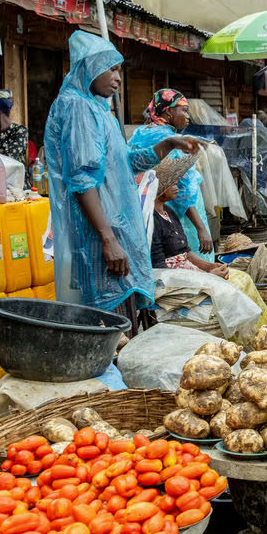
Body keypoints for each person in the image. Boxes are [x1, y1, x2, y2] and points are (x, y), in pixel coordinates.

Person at [43, 31, 199, 320]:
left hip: (115, 230)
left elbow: (126, 162)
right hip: (97, 235)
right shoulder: (78, 107)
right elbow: (82, 179)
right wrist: (107, 239)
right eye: (111, 69)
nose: (118, 78)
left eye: (119, 70)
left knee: (122, 320)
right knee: (108, 325)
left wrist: (169, 144)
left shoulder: (101, 112)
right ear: (89, 68)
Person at [129, 89, 214, 258]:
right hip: (177, 217)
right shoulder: (168, 141)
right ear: (168, 111)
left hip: (149, 212)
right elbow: (182, 191)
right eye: (184, 110)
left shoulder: (141, 134)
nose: (187, 116)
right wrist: (201, 228)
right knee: (187, 262)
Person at [150, 158, 228, 279]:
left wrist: (209, 267)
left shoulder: (168, 212)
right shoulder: (152, 220)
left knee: (242, 279)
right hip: (176, 280)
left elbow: (185, 252)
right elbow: (159, 268)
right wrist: (207, 277)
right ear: (159, 186)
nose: (177, 187)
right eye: (173, 183)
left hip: (189, 274)